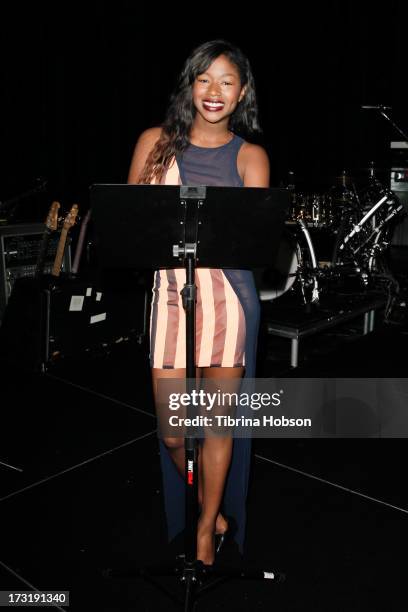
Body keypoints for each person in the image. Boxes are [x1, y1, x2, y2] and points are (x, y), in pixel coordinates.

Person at [127, 39, 269, 566]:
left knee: (215, 427)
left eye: (227, 81)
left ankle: (208, 527)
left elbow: (251, 243)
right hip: (170, 298)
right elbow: (135, 230)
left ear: (242, 92)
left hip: (228, 301)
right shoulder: (155, 143)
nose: (214, 91)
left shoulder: (251, 156)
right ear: (190, 84)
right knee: (172, 432)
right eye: (204, 79)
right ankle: (208, 512)